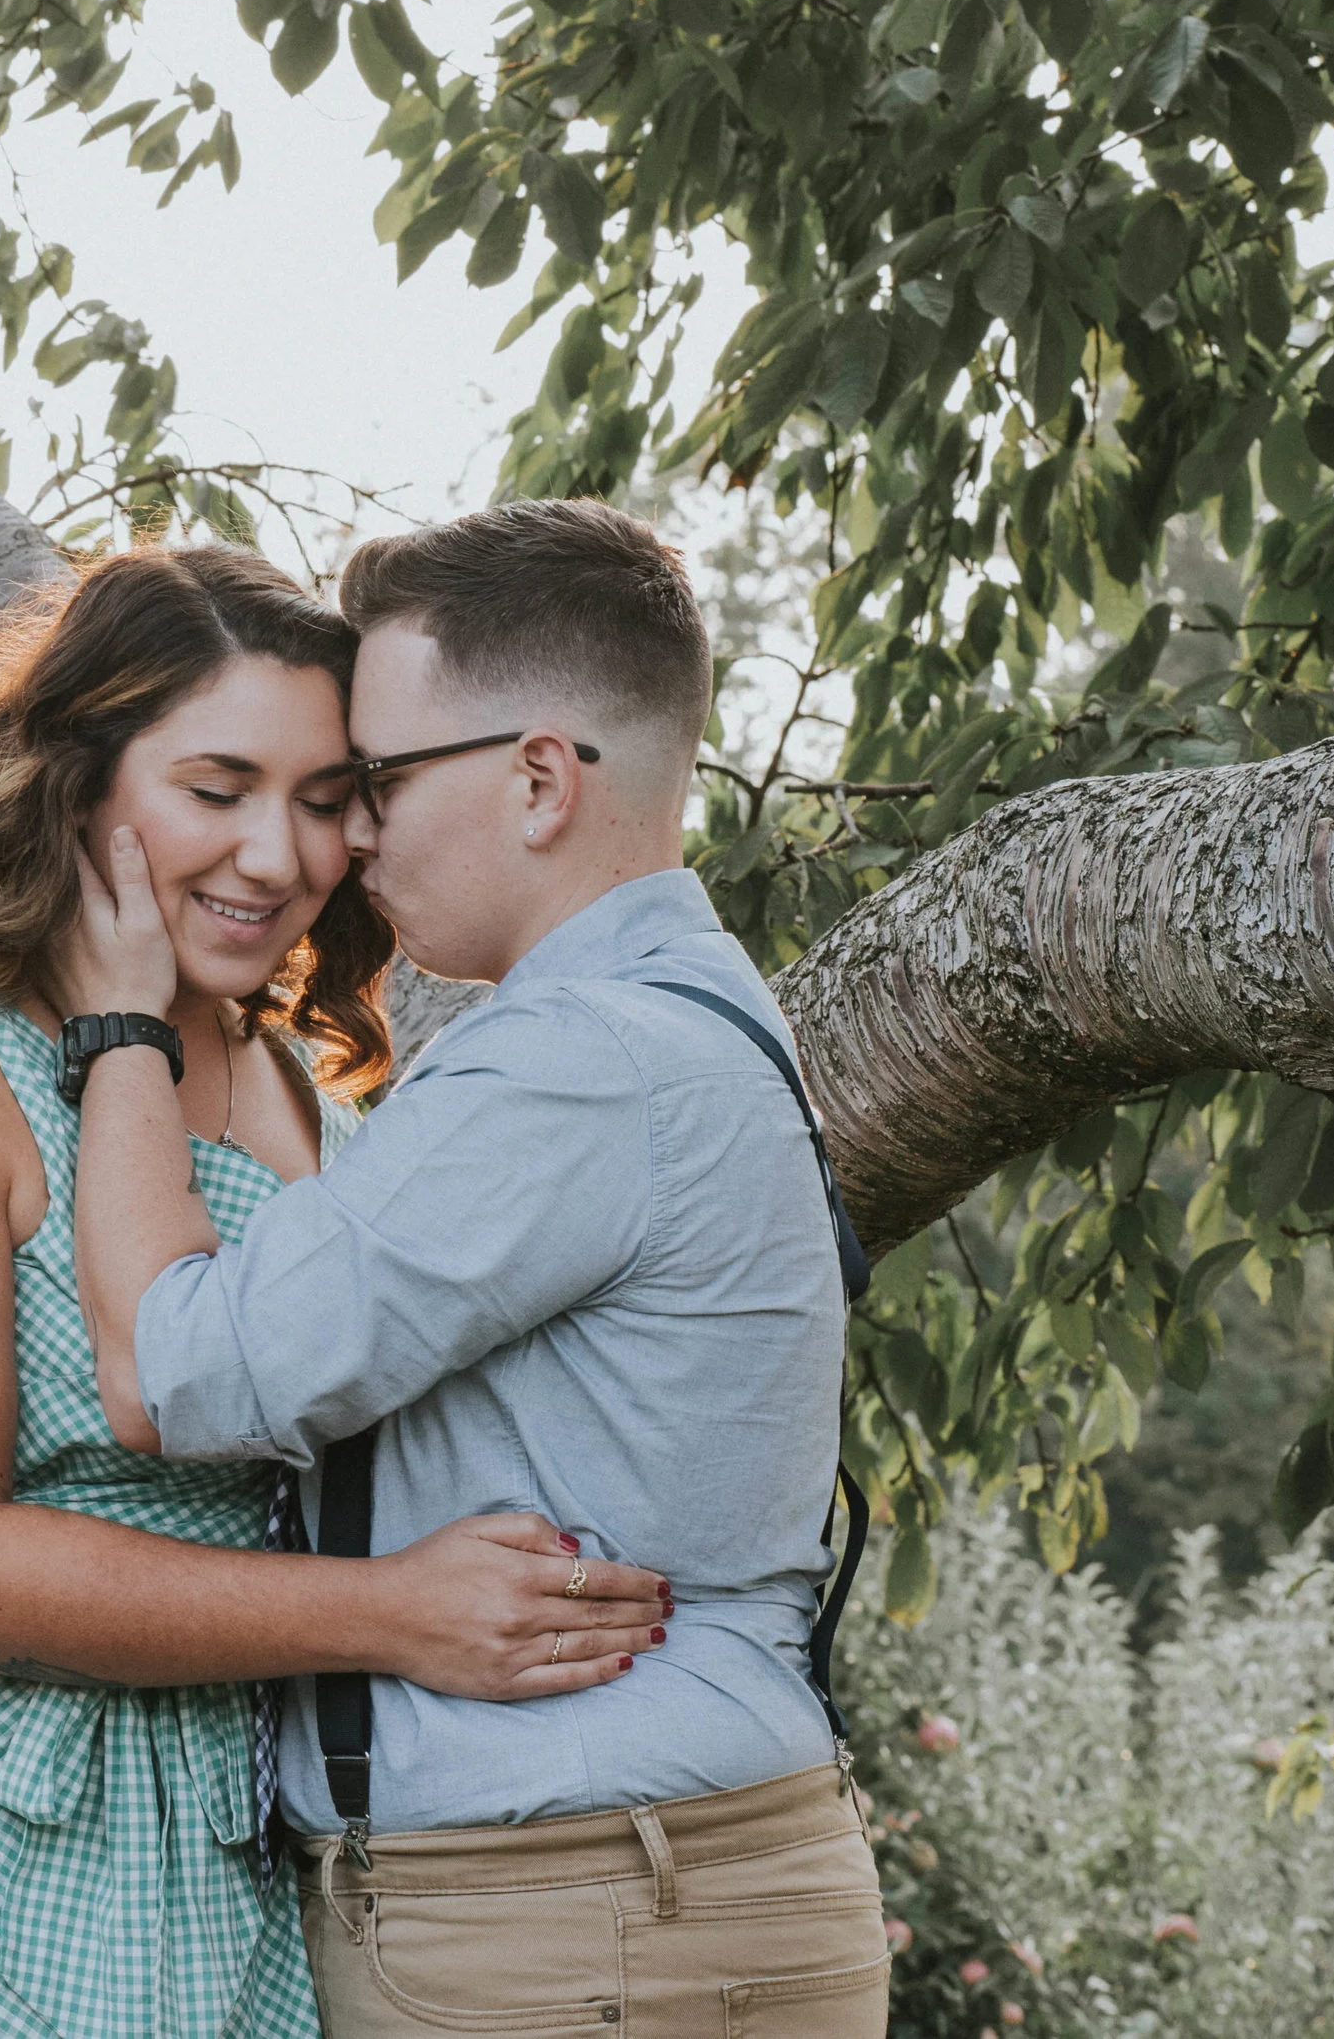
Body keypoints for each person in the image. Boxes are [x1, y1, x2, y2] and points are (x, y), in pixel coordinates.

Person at [0, 544, 669, 2039]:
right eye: (218, 789)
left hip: (227, 1872)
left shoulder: (301, 1086)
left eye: (324, 795)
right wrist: (387, 1616)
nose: (278, 854)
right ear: (81, 782)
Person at [62, 502, 890, 2039]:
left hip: (572, 1922)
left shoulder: (575, 1062)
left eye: (375, 779)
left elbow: (180, 1367)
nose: (351, 837)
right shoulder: (698, 1016)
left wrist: (119, 1028)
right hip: (662, 1890)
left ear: (536, 776)